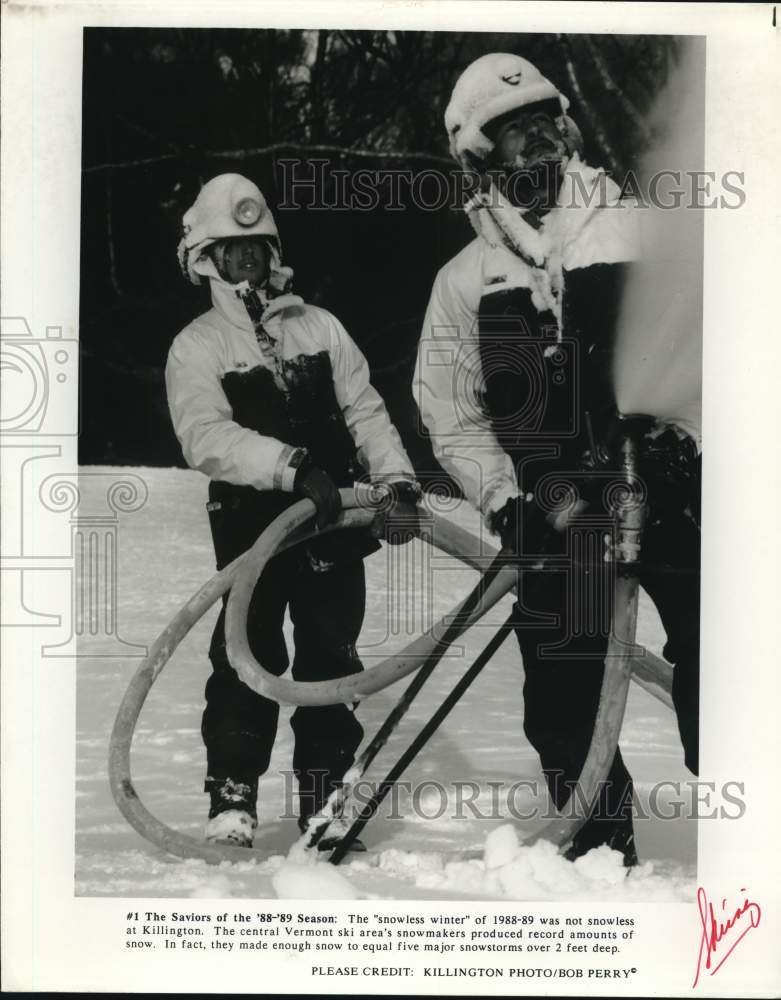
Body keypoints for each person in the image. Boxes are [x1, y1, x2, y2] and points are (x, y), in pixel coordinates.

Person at [415, 54, 701, 866]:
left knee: (725, 657)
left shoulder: (642, 233)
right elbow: (454, 417)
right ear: (479, 158)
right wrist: (507, 499)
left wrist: (684, 446)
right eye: (515, 138)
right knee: (562, 687)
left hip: (669, 491)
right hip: (557, 508)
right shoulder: (467, 280)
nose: (537, 148)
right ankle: (600, 850)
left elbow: (720, 357)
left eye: (546, 127)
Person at [166, 173, 419, 849]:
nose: (246, 258)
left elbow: (366, 411)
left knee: (330, 659)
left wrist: (395, 485)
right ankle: (232, 800)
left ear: (272, 251)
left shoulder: (320, 327)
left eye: (256, 246)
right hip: (254, 532)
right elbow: (205, 436)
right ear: (205, 259)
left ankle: (325, 804)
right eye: (231, 248)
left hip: (334, 526)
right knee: (246, 659)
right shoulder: (198, 346)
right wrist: (290, 466)